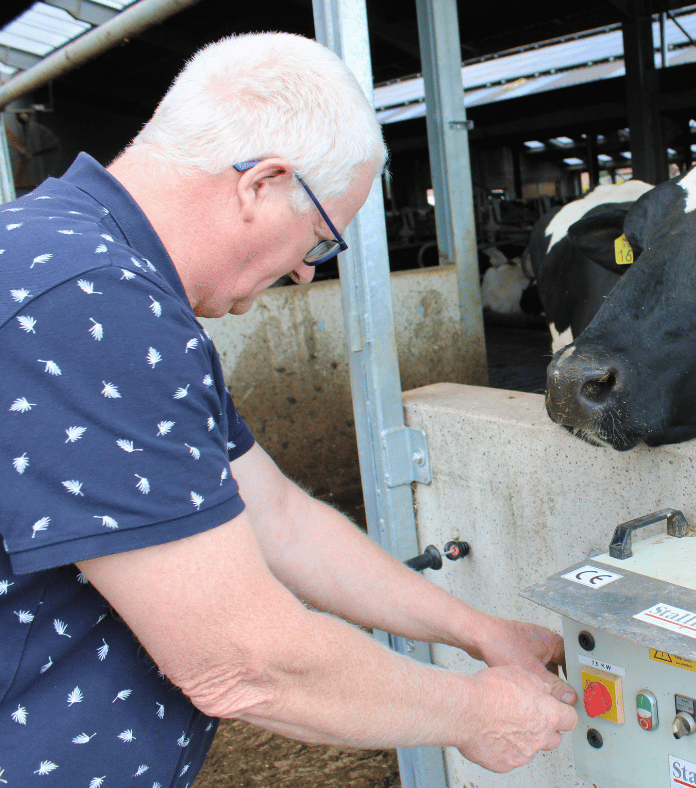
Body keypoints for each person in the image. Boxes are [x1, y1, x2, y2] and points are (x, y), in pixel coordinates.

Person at [0, 32, 577, 788]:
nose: (307, 272)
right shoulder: (91, 300)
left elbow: (278, 517)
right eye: (321, 239)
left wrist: (477, 632)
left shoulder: (93, 267)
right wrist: (478, 714)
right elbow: (243, 661)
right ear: (262, 184)